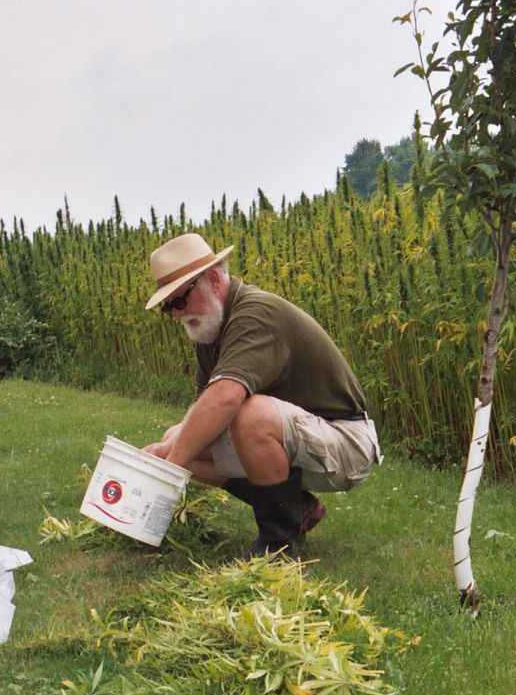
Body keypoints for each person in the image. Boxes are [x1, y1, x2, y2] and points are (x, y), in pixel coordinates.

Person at [142, 233, 381, 558]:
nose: (175, 313)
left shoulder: (254, 314)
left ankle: (278, 548)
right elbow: (206, 411)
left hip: (348, 442)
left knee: (246, 414)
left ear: (212, 278)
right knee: (181, 439)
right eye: (167, 306)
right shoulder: (210, 332)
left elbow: (225, 398)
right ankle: (300, 506)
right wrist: (165, 452)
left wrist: (169, 470)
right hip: (305, 439)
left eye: (180, 299)